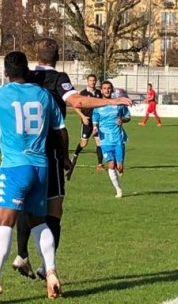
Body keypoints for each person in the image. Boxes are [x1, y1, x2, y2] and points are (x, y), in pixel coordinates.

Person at [12, 38, 132, 280]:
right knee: (54, 210)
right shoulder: (58, 78)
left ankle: (22, 254)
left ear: (37, 57)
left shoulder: (26, 77)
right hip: (50, 150)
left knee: (26, 202)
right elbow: (76, 101)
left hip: (21, 150)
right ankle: (48, 267)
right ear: (57, 59)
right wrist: (110, 101)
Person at [0, 51, 67, 304]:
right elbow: (61, 130)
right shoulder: (43, 95)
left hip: (14, 167)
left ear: (6, 72)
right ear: (28, 70)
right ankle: (51, 271)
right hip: (40, 167)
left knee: (2, 223)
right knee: (39, 223)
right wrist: (64, 157)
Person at [92, 81, 131, 198]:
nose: (107, 90)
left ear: (112, 90)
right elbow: (95, 120)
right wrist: (95, 128)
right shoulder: (98, 106)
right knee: (111, 164)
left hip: (118, 139)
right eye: (104, 88)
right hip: (104, 140)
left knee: (119, 166)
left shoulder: (118, 104)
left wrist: (122, 120)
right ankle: (118, 190)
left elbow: (128, 117)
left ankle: (120, 168)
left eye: (109, 88)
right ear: (101, 90)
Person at [70, 74, 105, 172]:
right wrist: (83, 117)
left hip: (97, 122)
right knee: (84, 143)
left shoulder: (99, 93)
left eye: (94, 80)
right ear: (87, 81)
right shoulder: (83, 93)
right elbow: (75, 106)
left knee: (99, 142)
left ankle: (100, 164)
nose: (92, 82)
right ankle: (76, 154)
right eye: (90, 80)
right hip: (87, 122)